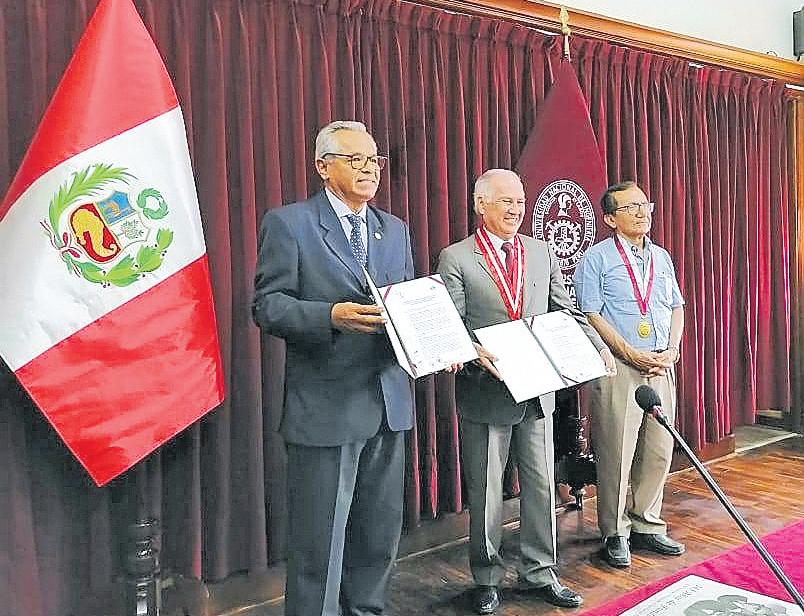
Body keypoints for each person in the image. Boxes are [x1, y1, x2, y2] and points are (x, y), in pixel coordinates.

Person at [252, 121, 414, 616]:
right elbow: (267, 306)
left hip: (389, 401)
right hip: (325, 407)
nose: (369, 169)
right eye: (355, 159)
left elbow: (408, 303)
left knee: (378, 534)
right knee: (319, 541)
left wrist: (435, 341)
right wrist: (329, 316)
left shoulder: (395, 229)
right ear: (323, 167)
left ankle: (366, 610)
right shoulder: (290, 223)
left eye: (374, 160)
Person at [437, 169, 615, 614]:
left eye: (520, 201)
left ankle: (540, 572)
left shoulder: (541, 252)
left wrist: (597, 347)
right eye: (505, 201)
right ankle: (486, 577)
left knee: (541, 486)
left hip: (537, 391)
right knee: (487, 492)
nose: (516, 209)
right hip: (486, 392)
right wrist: (469, 349)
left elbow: (566, 311)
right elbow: (451, 324)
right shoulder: (456, 257)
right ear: (481, 205)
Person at [573, 180, 686, 568]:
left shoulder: (662, 257)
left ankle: (647, 523)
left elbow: (676, 306)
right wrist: (628, 352)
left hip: (660, 365)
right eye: (630, 207)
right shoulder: (596, 259)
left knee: (659, 449)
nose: (641, 213)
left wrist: (672, 350)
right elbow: (590, 314)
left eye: (644, 205)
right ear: (610, 219)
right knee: (617, 452)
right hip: (620, 367)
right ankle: (615, 531)